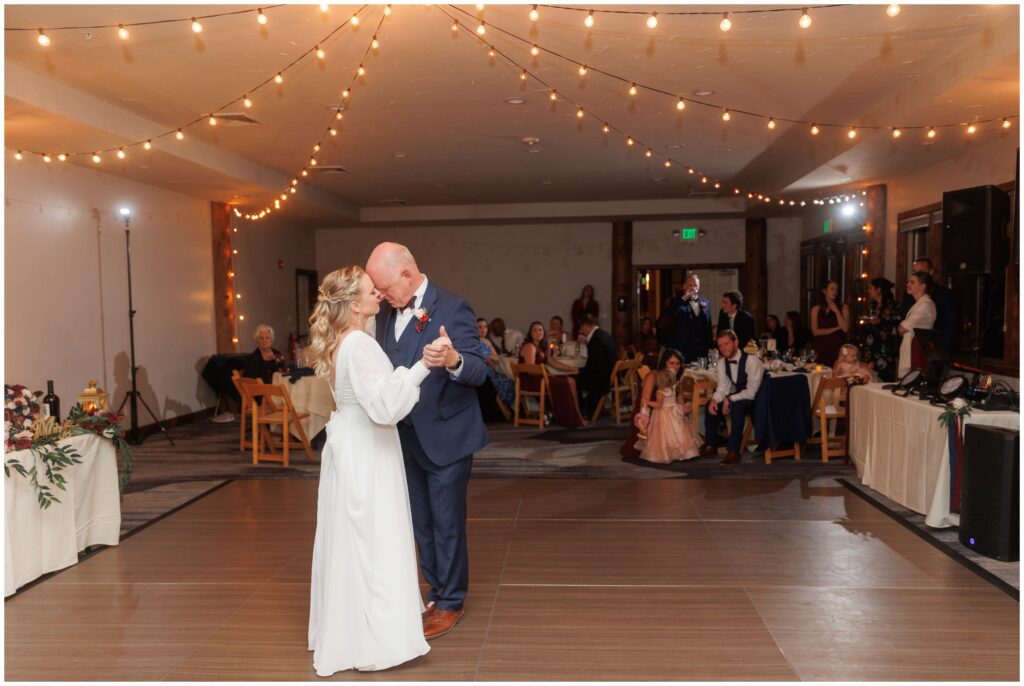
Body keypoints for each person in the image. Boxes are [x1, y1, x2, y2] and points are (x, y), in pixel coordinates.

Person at [306, 266, 452, 675]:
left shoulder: (342, 342)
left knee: (355, 538)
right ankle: (378, 638)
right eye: (372, 292)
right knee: (375, 538)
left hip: (351, 445)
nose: (379, 297)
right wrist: (423, 366)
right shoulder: (360, 345)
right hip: (369, 448)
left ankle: (350, 631)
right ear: (355, 305)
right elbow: (386, 407)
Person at [365, 242, 490, 641]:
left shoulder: (453, 307)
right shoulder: (384, 312)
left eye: (384, 287)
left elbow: (479, 370)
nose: (381, 296)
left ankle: (452, 600)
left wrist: (453, 359)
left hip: (447, 435)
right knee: (420, 523)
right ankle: (435, 591)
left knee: (447, 522)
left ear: (406, 273)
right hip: (402, 437)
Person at [698, 329, 765, 466]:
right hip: (739, 396)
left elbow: (752, 392)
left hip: (757, 400)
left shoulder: (752, 361)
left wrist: (730, 399)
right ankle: (711, 445)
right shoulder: (722, 363)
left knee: (738, 408)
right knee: (710, 405)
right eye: (720, 345)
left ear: (736, 342)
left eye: (726, 344)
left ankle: (734, 451)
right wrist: (715, 400)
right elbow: (723, 388)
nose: (723, 348)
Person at [620, 348, 683, 459]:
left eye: (678, 363)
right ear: (664, 363)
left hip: (667, 414)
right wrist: (643, 423)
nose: (675, 367)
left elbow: (679, 398)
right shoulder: (653, 376)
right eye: (671, 363)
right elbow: (644, 402)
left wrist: (681, 410)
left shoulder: (675, 377)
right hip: (648, 413)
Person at [638, 368, 702, 464]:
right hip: (674, 412)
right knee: (678, 432)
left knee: (663, 434)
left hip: (663, 414)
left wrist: (647, 402)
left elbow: (658, 405)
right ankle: (683, 453)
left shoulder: (661, 392)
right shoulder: (673, 388)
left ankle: (665, 453)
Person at [900, 257, 956, 350]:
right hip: (910, 342)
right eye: (914, 271)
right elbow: (904, 315)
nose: (917, 274)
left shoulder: (943, 294)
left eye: (921, 271)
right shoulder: (908, 294)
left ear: (930, 272)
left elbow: (951, 322)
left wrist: (942, 346)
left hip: (933, 346)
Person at [858, 277, 901, 382]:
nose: (868, 291)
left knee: (883, 379)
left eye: (870, 288)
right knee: (868, 377)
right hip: (870, 347)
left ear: (879, 290)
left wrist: (880, 322)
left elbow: (896, 326)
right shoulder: (872, 306)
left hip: (884, 350)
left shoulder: (893, 306)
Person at [576, 314, 617, 417]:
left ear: (586, 326)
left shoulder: (596, 339)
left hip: (602, 378)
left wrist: (578, 370)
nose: (581, 330)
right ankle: (588, 405)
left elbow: (594, 365)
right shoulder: (604, 334)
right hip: (610, 373)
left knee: (573, 379)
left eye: (581, 327)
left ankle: (584, 410)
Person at [898, 271, 937, 377]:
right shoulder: (918, 304)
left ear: (922, 286)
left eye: (912, 282)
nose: (908, 284)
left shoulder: (926, 305)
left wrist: (902, 326)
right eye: (908, 282)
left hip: (918, 352)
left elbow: (902, 329)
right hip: (913, 348)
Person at [667, 273, 713, 362]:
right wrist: (684, 297)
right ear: (684, 287)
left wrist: (710, 347)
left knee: (701, 373)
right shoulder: (677, 301)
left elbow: (708, 326)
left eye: (695, 285)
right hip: (683, 347)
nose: (693, 288)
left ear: (699, 287)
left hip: (701, 348)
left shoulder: (706, 302)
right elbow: (672, 313)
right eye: (690, 285)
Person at [477, 318, 515, 410]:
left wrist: (491, 358)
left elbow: (496, 356)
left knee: (510, 380)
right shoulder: (473, 341)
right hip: (484, 369)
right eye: (480, 327)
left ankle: (512, 407)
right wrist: (487, 359)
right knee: (505, 381)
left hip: (493, 367)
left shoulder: (487, 341)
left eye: (485, 327)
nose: (483, 330)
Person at [810, 280, 850, 366]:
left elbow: (845, 328)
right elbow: (815, 332)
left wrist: (836, 311)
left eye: (836, 290)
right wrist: (836, 328)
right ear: (824, 291)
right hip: (821, 346)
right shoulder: (816, 309)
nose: (835, 292)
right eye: (832, 289)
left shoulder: (843, 307)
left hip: (837, 346)